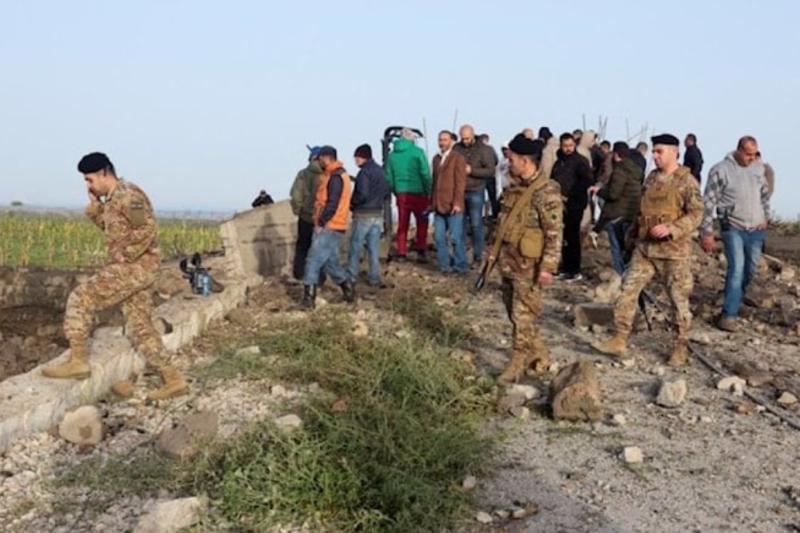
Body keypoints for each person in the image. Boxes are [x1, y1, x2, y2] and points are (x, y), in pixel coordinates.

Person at [42, 152, 189, 400]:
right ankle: (173, 379)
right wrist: (95, 209)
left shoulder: (129, 195)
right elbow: (113, 229)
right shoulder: (111, 200)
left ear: (104, 173)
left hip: (134, 268)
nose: (88, 185)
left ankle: (78, 361)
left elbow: (146, 228)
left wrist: (126, 255)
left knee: (80, 298)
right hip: (138, 269)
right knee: (140, 325)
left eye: (89, 180)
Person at [592, 134, 704, 367]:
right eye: (654, 151)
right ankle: (620, 338)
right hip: (645, 250)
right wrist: (632, 236)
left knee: (678, 300)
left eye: (659, 152)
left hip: (674, 253)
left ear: (674, 152)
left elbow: (696, 214)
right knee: (627, 291)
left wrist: (672, 228)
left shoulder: (686, 181)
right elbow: (641, 210)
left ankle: (680, 345)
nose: (654, 156)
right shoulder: (651, 179)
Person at [493, 135, 563, 383]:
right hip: (508, 261)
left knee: (523, 315)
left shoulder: (546, 191)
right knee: (514, 312)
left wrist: (548, 267)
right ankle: (539, 353)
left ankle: (518, 361)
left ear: (525, 160)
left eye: (512, 159)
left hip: (530, 266)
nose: (508, 163)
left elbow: (554, 233)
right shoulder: (513, 188)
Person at [700, 136, 769, 332]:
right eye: (748, 154)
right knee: (737, 268)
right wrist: (707, 231)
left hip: (756, 228)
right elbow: (708, 202)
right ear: (738, 150)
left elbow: (764, 193)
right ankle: (728, 315)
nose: (751, 158)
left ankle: (733, 296)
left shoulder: (758, 168)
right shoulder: (720, 170)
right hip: (733, 226)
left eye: (754, 154)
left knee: (750, 269)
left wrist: (766, 215)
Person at [301, 146, 356, 309]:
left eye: (320, 159)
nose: (319, 162)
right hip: (335, 225)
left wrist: (321, 222)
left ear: (327, 158)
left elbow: (332, 203)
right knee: (330, 263)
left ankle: (308, 299)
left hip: (329, 225)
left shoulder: (335, 177)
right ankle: (348, 289)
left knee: (313, 260)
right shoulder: (337, 175)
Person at [588, 142, 642, 274]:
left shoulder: (620, 170)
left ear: (616, 154)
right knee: (626, 249)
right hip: (630, 213)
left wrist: (598, 191)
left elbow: (613, 194)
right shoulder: (636, 170)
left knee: (617, 249)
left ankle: (622, 279)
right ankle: (628, 278)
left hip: (617, 213)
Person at [385, 128, 432, 262]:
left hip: (401, 193)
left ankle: (401, 252)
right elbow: (425, 174)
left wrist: (396, 190)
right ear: (412, 139)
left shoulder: (392, 155)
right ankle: (421, 250)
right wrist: (428, 191)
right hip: (419, 193)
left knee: (402, 223)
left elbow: (389, 176)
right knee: (422, 222)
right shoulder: (418, 153)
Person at [551, 132, 593, 281]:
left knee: (572, 236)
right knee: (563, 237)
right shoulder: (559, 162)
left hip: (575, 204)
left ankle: (574, 269)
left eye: (570, 145)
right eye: (565, 146)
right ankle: (565, 267)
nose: (568, 148)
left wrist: (571, 196)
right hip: (558, 204)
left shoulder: (580, 161)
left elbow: (586, 181)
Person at [454, 124, 497, 265]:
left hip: (476, 190)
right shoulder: (457, 149)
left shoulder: (485, 150)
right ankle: (460, 258)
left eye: (467, 138)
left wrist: (472, 170)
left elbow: (490, 171)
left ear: (473, 135)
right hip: (459, 191)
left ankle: (478, 256)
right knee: (459, 225)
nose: (465, 141)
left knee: (476, 224)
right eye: (463, 138)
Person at [347, 144, 390, 286]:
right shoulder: (380, 171)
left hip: (363, 214)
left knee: (355, 246)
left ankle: (351, 277)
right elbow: (386, 192)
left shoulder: (364, 173)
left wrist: (352, 203)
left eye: (356, 157)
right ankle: (374, 278)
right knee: (373, 248)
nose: (355, 161)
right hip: (377, 213)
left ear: (362, 157)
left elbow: (362, 194)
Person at [431, 130, 468, 274]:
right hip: (438, 204)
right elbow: (434, 182)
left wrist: (458, 202)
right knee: (439, 237)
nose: (442, 143)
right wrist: (431, 202)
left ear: (451, 141)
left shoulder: (457, 158)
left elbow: (460, 182)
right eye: (440, 140)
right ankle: (444, 265)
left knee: (455, 237)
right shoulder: (436, 159)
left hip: (453, 205)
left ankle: (461, 265)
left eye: (445, 140)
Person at [290, 146, 324, 281]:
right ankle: (320, 278)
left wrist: (299, 211)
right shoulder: (326, 175)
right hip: (322, 218)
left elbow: (295, 195)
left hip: (305, 217)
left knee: (302, 247)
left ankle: (299, 274)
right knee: (320, 249)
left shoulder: (303, 174)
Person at [479, 133, 500, 219]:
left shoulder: (478, 150)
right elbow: (496, 160)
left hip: (482, 176)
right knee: (492, 196)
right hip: (489, 175)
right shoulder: (490, 149)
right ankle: (494, 214)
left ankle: (485, 214)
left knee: (482, 196)